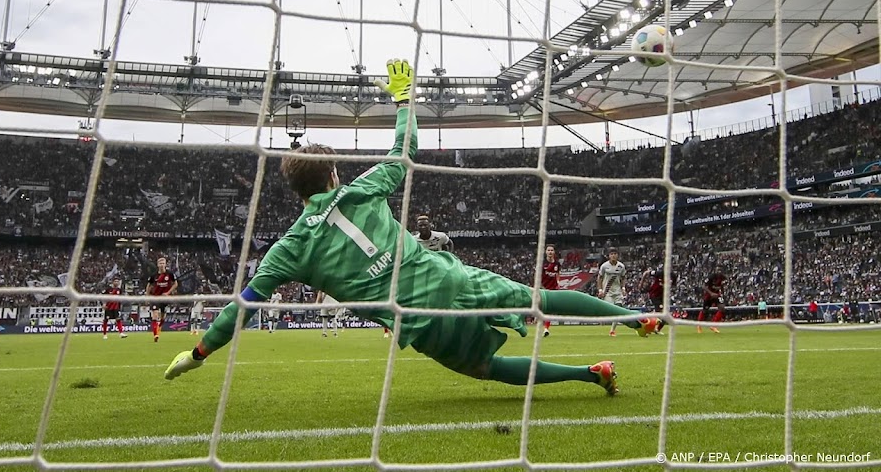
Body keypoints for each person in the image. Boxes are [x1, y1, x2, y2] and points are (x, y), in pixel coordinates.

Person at [166, 59, 657, 396]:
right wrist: (404, 100)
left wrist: (200, 350)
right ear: (333, 174)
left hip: (419, 317)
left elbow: (244, 306)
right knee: (541, 300)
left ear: (298, 193)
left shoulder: (288, 249)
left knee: (485, 368)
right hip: (451, 277)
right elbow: (404, 153)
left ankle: (589, 374)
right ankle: (636, 318)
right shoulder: (360, 190)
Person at [146, 257, 177, 343]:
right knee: (155, 315)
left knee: (163, 317)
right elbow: (149, 286)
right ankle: (155, 334)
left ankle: (159, 329)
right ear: (157, 265)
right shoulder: (154, 275)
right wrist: (147, 296)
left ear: (165, 264)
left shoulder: (170, 274)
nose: (162, 265)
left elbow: (175, 284)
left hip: (165, 298)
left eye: (163, 263)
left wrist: (168, 293)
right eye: (160, 263)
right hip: (155, 297)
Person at [597, 249, 627, 336]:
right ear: (609, 256)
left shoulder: (621, 266)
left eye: (615, 254)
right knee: (611, 310)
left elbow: (624, 277)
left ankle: (612, 330)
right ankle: (602, 317)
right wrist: (600, 290)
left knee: (617, 310)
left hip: (617, 292)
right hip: (607, 292)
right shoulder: (604, 266)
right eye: (611, 254)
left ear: (617, 255)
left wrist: (623, 288)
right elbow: (599, 278)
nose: (613, 255)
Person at [698, 268, 727, 333]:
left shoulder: (723, 278)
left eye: (720, 270)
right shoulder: (711, 277)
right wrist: (711, 293)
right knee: (705, 311)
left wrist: (722, 293)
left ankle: (713, 325)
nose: (719, 272)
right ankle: (699, 325)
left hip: (717, 295)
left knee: (722, 308)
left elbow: (722, 286)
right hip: (709, 295)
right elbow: (704, 286)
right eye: (718, 270)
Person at [540, 245, 560, 338]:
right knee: (542, 308)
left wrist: (558, 282)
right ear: (546, 252)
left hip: (553, 290)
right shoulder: (542, 263)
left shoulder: (557, 264)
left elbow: (558, 274)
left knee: (549, 310)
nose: (550, 252)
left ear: (554, 252)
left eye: (552, 250)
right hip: (543, 289)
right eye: (548, 250)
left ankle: (546, 328)